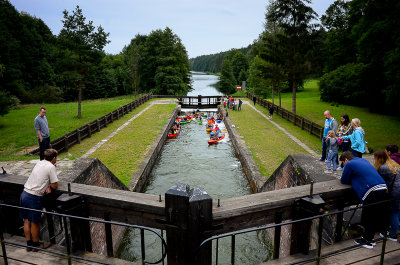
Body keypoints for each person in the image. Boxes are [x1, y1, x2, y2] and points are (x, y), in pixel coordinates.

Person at [340, 151, 390, 249]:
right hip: (383, 187)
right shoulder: (363, 160)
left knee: (370, 215)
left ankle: (367, 240)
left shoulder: (350, 164)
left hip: (371, 190)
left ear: (346, 159)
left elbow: (344, 180)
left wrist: (352, 179)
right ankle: (379, 235)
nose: (343, 166)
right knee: (378, 214)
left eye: (343, 163)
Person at [20, 149, 59, 251]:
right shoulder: (51, 167)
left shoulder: (39, 163)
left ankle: (29, 244)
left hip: (24, 193)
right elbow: (55, 184)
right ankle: (36, 245)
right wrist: (50, 186)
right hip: (34, 197)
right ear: (54, 158)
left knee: (26, 220)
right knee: (35, 222)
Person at [373, 150, 400, 242]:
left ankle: (393, 234)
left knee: (394, 212)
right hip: (398, 189)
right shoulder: (393, 164)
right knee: (397, 211)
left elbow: (376, 178)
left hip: (395, 192)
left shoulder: (382, 167)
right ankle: (395, 228)